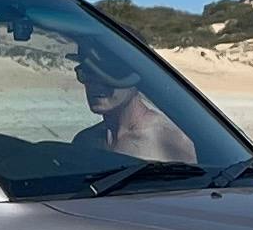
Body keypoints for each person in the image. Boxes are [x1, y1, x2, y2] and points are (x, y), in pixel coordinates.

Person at [70, 40, 199, 168]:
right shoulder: (85, 141)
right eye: (87, 73)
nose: (95, 85)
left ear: (135, 77)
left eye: (109, 73)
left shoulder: (169, 142)